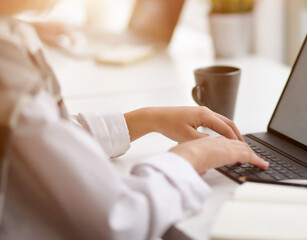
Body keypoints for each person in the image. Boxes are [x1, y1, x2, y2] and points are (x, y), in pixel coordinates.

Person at [0, 0, 269, 239]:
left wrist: (143, 120)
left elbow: (40, 134)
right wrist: (190, 158)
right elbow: (119, 221)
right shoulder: (7, 71)